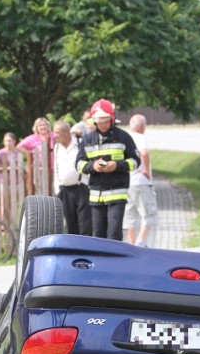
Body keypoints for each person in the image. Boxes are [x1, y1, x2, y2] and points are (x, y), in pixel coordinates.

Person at [76, 98, 140, 240]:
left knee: (114, 233)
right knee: (98, 234)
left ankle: (115, 262)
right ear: (94, 121)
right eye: (99, 121)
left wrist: (117, 165)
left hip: (117, 193)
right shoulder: (87, 139)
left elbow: (136, 161)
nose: (102, 124)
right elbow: (78, 164)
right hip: (96, 195)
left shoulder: (123, 137)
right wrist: (93, 166)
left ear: (112, 119)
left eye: (105, 120)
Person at [123, 114, 157, 247]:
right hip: (141, 181)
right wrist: (147, 171)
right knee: (149, 215)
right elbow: (144, 153)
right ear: (143, 127)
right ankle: (141, 243)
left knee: (130, 216)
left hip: (128, 182)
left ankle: (131, 244)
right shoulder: (140, 137)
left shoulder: (125, 138)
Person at [52, 120, 91, 235]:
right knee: (70, 223)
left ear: (66, 132)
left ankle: (86, 249)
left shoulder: (80, 143)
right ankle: (74, 249)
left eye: (57, 133)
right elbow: (56, 168)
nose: (55, 136)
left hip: (81, 187)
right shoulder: (57, 147)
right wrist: (57, 188)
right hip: (64, 189)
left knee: (84, 222)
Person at [0, 131, 24, 224]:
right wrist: (7, 168)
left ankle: (12, 224)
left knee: (13, 205)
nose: (8, 143)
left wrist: (15, 168)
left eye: (10, 141)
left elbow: (20, 167)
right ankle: (4, 225)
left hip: (15, 182)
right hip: (4, 182)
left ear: (14, 141)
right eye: (6, 141)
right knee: (4, 204)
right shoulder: (0, 153)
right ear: (3, 142)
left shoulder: (17, 153)